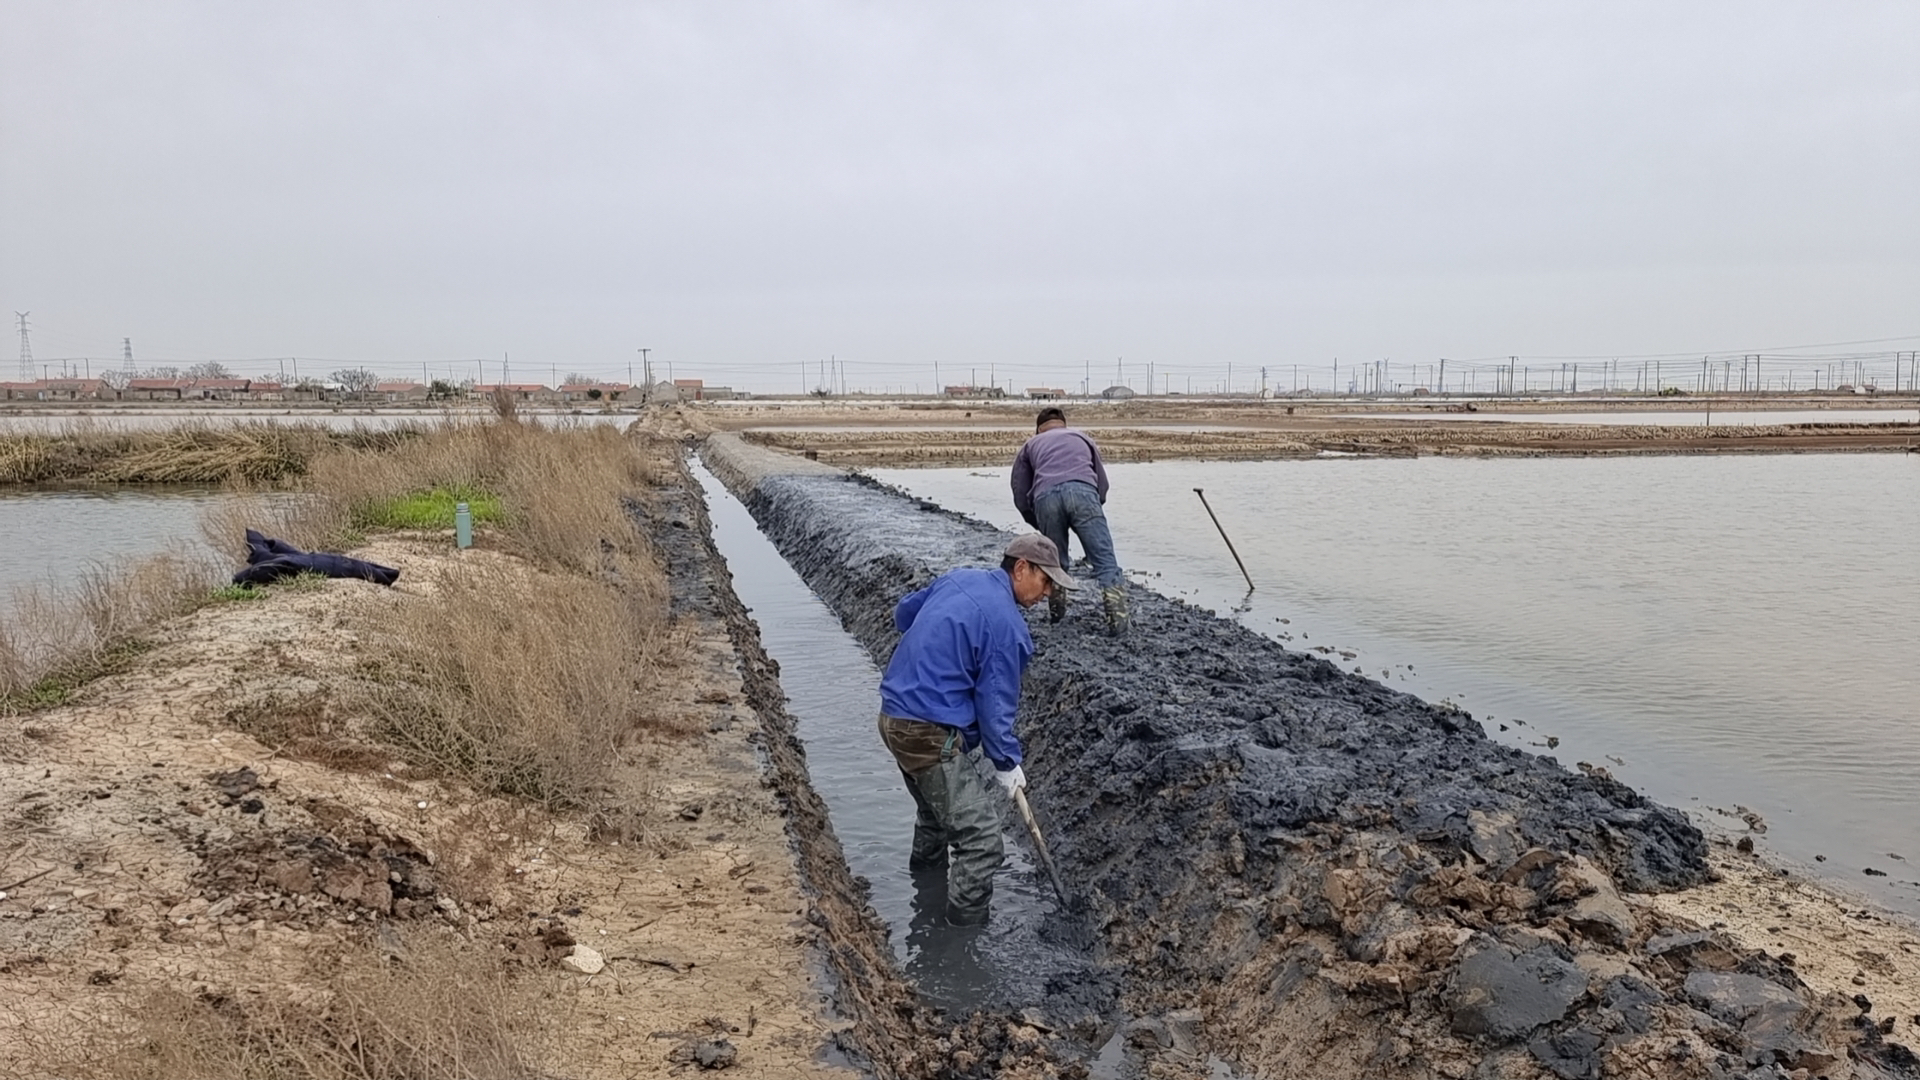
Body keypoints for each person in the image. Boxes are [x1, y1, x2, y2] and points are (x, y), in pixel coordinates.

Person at [876, 533, 1076, 926]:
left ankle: (925, 894)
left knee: (935, 817)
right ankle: (960, 936)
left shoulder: (959, 578)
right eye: (1045, 581)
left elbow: (903, 615)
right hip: (926, 734)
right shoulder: (1007, 628)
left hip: (893, 718)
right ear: (1021, 568)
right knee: (982, 842)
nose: (1048, 593)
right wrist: (1006, 762)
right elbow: (995, 706)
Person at [1010, 407, 1127, 635]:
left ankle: (1057, 617)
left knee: (1054, 562)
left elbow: (1020, 491)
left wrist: (1035, 520)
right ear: (1064, 425)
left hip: (1045, 497)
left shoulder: (1030, 445)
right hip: (1084, 493)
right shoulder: (1082, 438)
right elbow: (1102, 484)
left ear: (1038, 429)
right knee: (1105, 562)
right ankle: (1119, 626)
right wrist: (1092, 510)